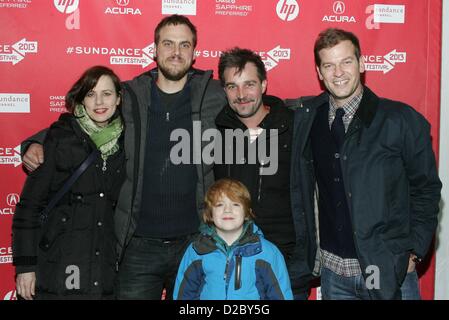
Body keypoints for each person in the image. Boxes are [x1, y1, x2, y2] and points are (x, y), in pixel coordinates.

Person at [20, 15, 227, 300]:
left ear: (194, 53)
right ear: (154, 49)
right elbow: (85, 120)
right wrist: (36, 142)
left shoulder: (213, 94)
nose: (176, 52)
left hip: (194, 243)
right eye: (168, 43)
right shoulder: (131, 95)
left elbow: (251, 106)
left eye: (184, 45)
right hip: (137, 247)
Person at [289, 28, 442, 299]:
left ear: (361, 64)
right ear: (319, 72)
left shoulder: (401, 120)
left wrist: (415, 251)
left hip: (385, 269)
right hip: (334, 273)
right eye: (329, 65)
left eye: (346, 61)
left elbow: (427, 189)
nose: (338, 72)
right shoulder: (308, 119)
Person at [12, 66, 125, 299]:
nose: (99, 102)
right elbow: (29, 207)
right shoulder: (59, 139)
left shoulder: (127, 141)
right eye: (91, 94)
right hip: (59, 264)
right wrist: (25, 267)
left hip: (104, 269)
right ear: (81, 99)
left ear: (119, 99)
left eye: (107, 93)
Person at [214, 47, 312, 299]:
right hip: (232, 259)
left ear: (264, 84)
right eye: (232, 86)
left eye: (249, 84)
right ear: (224, 90)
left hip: (288, 261)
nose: (241, 95)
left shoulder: (295, 127)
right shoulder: (215, 132)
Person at [174, 178, 293, 300]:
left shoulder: (268, 253)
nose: (227, 210)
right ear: (210, 213)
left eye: (235, 204)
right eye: (220, 204)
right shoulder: (196, 251)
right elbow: (183, 297)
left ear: (246, 213)